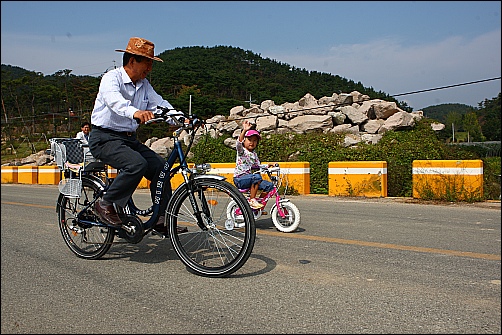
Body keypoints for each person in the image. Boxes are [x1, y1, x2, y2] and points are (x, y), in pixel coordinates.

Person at [88, 36, 187, 234]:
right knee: (136, 164)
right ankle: (105, 203)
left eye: (151, 63)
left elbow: (160, 105)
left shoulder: (144, 86)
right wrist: (135, 112)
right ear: (132, 60)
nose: (149, 68)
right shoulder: (111, 78)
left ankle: (161, 218)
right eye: (147, 63)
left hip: (128, 139)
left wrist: (182, 119)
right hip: (104, 138)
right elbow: (115, 101)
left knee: (160, 167)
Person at [233, 120, 274, 209]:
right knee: (257, 176)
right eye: (249, 140)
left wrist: (268, 166)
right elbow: (238, 144)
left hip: (250, 179)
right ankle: (252, 200)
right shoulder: (242, 151)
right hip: (240, 179)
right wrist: (244, 130)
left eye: (255, 141)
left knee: (269, 186)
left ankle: (258, 208)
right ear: (244, 140)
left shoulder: (254, 154)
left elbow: (258, 166)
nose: (252, 142)